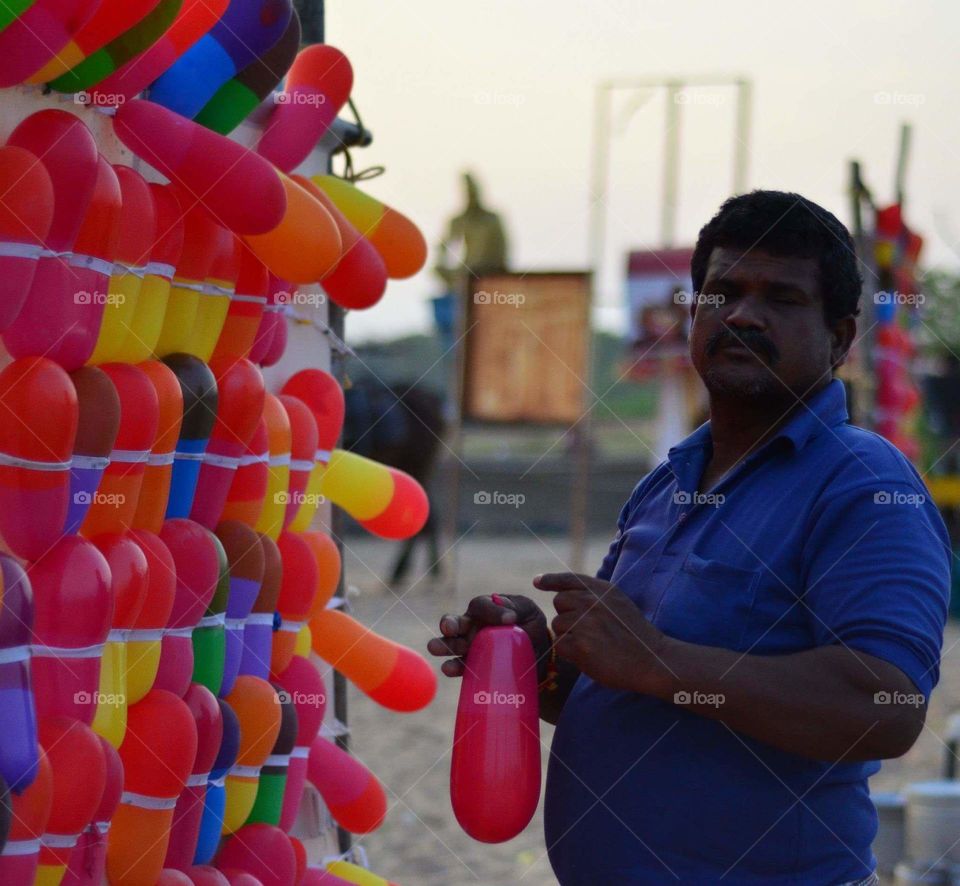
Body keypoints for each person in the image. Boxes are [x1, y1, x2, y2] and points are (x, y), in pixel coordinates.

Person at [428, 190, 950, 885]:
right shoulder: (670, 478)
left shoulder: (863, 484)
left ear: (841, 337)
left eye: (782, 298)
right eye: (721, 292)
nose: (741, 314)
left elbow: (884, 708)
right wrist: (537, 660)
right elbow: (621, 687)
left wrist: (657, 659)